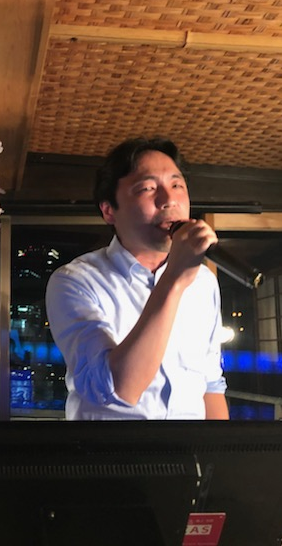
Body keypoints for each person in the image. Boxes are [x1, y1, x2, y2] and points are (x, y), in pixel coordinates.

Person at [45, 137, 229, 421]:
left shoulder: (204, 281)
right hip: (114, 449)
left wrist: (222, 449)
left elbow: (211, 384)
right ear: (109, 210)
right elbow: (120, 388)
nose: (169, 200)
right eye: (148, 188)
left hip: (191, 447)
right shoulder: (76, 281)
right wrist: (174, 280)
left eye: (177, 185)